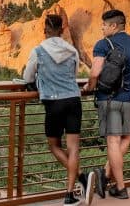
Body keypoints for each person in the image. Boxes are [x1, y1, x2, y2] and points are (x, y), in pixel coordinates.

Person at [23, 14, 90, 205]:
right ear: (62, 30)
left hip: (54, 103)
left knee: (54, 145)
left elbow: (28, 77)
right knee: (74, 147)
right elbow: (74, 74)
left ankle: (81, 177)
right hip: (73, 100)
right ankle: (70, 195)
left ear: (45, 30)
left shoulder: (38, 51)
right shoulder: (72, 50)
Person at [85, 9, 130, 200]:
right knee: (126, 138)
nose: (101, 28)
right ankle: (105, 175)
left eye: (104, 25)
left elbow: (95, 72)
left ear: (113, 26)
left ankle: (120, 187)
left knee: (113, 141)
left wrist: (89, 86)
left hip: (110, 99)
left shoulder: (103, 44)